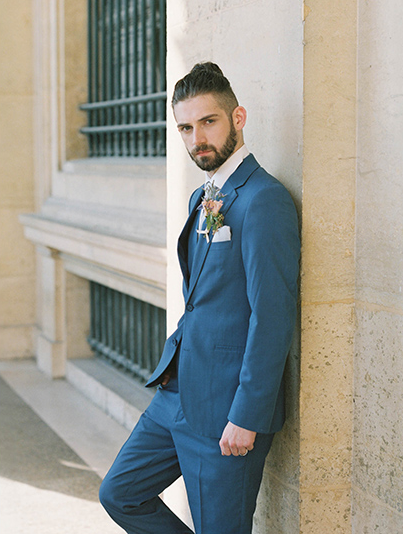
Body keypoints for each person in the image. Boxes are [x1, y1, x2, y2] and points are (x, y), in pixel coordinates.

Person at [99, 62, 300, 534]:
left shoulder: (263, 200)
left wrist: (246, 416)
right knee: (121, 494)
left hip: (226, 411)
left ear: (238, 118)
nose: (197, 139)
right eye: (186, 128)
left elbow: (271, 317)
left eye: (208, 122)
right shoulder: (201, 198)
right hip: (176, 393)